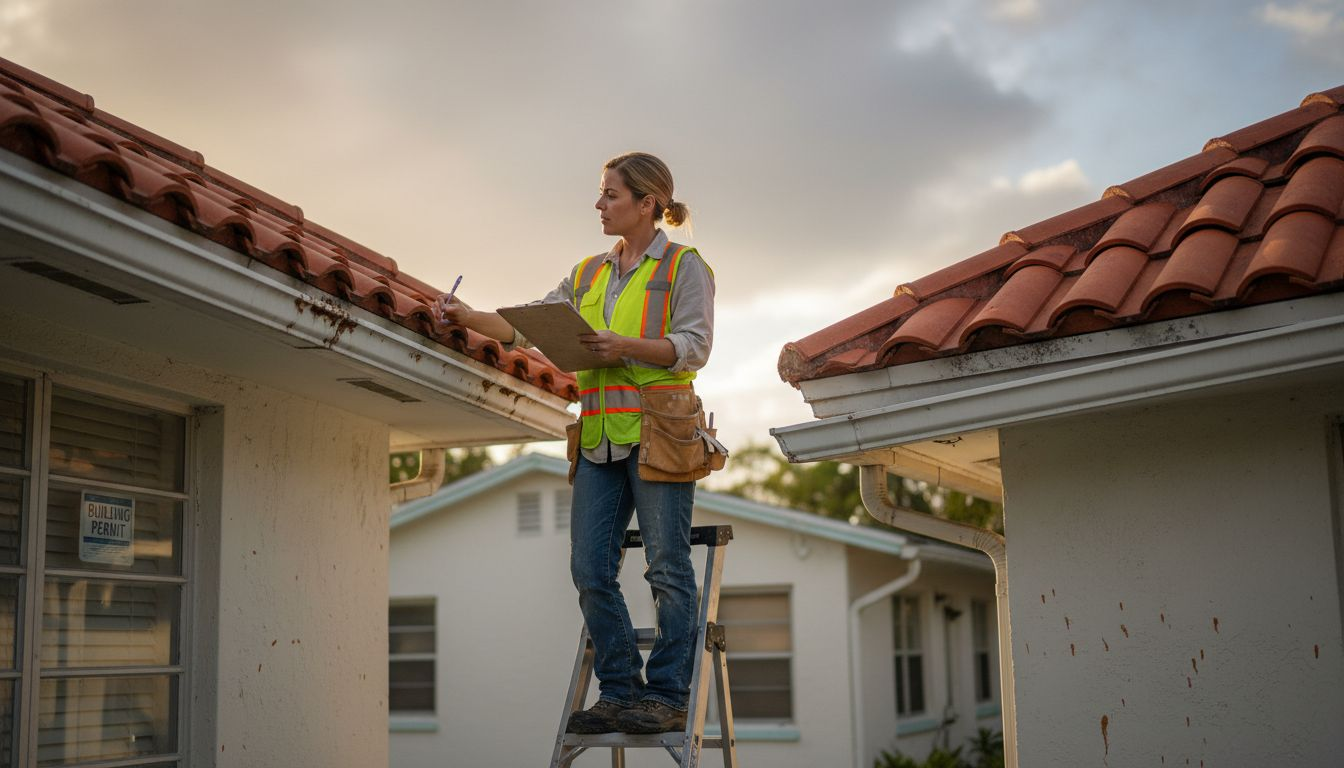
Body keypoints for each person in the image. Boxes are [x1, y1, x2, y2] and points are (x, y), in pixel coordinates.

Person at [437, 152, 714, 734]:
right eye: (601, 193)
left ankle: (666, 697)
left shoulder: (686, 267)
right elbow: (527, 327)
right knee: (590, 570)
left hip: (660, 434)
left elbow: (693, 346)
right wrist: (467, 316)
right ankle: (619, 690)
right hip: (598, 440)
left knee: (667, 569)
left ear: (647, 203)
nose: (599, 204)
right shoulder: (587, 273)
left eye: (610, 194)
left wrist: (625, 346)